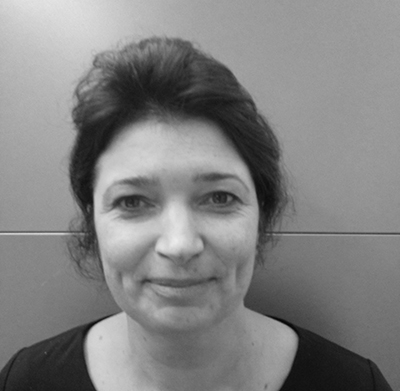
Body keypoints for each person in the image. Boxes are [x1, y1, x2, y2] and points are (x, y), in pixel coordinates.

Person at [0, 37, 393, 391]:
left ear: (261, 216)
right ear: (93, 224)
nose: (180, 245)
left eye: (219, 198)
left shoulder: (353, 384)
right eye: (133, 202)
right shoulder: (27, 381)